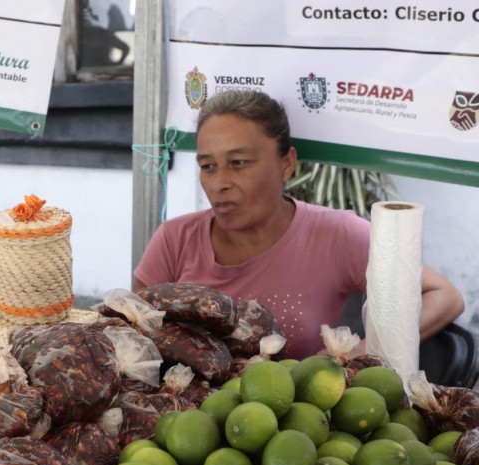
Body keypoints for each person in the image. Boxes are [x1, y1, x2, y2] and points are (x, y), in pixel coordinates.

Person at [133, 90, 464, 359]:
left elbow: (444, 295)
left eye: (238, 163)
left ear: (286, 163)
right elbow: (133, 337)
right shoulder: (175, 239)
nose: (219, 183)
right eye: (208, 166)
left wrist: (359, 352)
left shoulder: (335, 235)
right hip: (184, 425)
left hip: (297, 430)